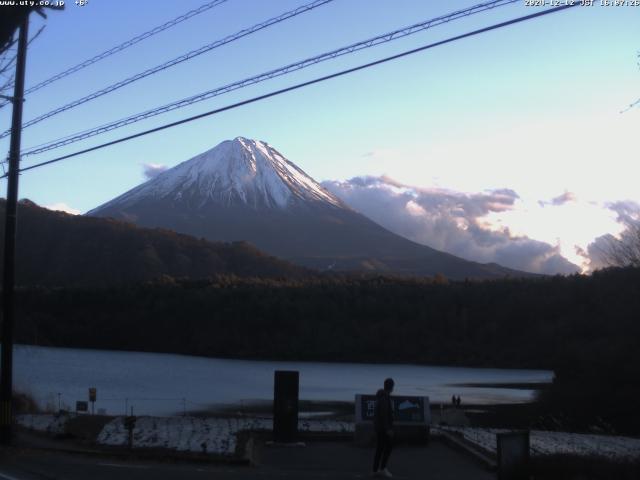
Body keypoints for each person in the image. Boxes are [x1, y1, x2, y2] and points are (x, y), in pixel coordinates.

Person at [372, 378, 395, 477]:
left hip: (379, 427)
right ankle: (382, 468)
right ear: (391, 387)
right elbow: (384, 415)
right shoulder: (385, 398)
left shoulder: (381, 397)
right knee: (388, 447)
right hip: (383, 428)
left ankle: (375, 469)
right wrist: (388, 429)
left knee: (380, 448)